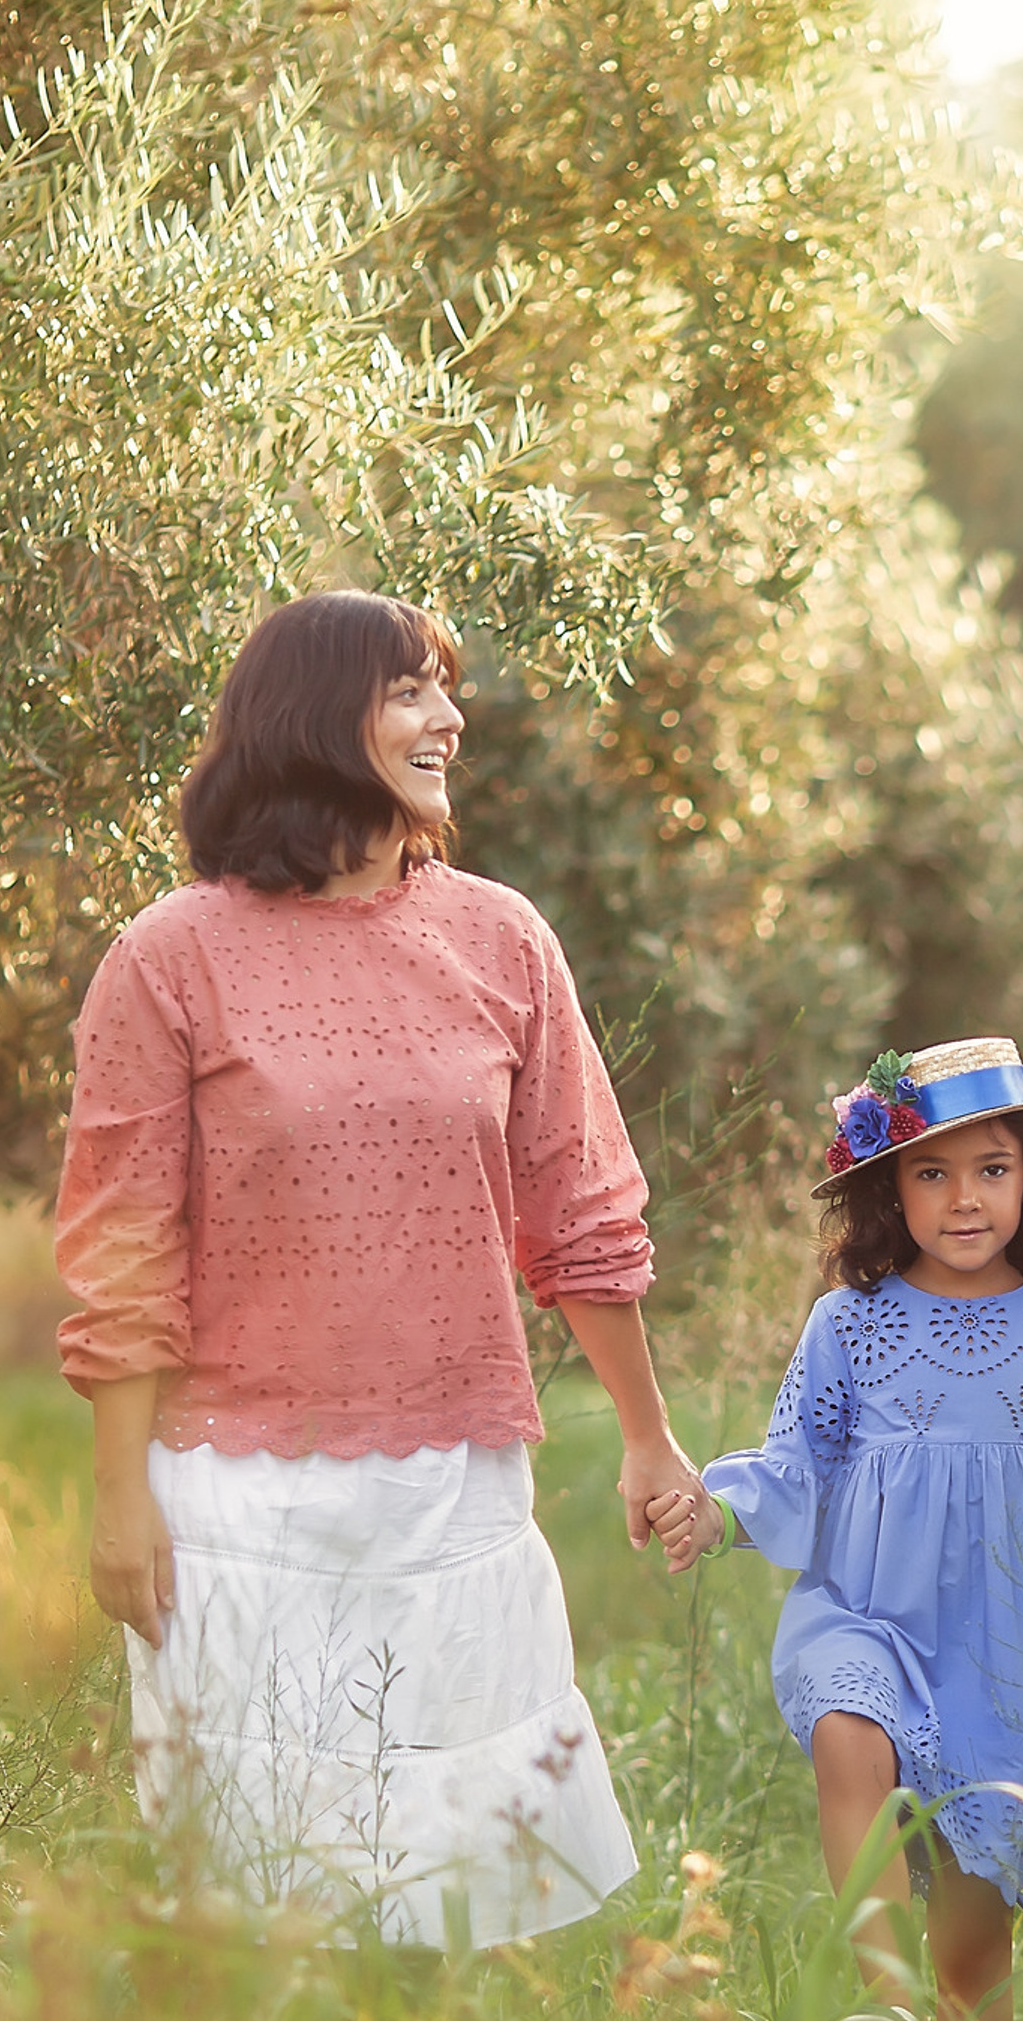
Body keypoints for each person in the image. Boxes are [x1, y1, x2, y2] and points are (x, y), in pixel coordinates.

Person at [55, 590, 705, 1949]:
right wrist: (121, 1500)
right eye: (413, 691)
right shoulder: (169, 960)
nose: (449, 719)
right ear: (315, 717)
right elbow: (124, 1255)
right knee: (256, 1906)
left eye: (446, 690)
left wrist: (649, 1439)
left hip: (452, 1484)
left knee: (465, 1893)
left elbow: (578, 1212)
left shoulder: (500, 938)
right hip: (237, 1503)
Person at [649, 1038, 1023, 2021]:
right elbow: (793, 1467)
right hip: (867, 1610)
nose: (965, 1200)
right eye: (932, 1172)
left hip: (1003, 1650)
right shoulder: (850, 1324)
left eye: (992, 1168)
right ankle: (886, 2005)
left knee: (972, 1908)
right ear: (887, 1190)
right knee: (845, 1728)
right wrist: (715, 1513)